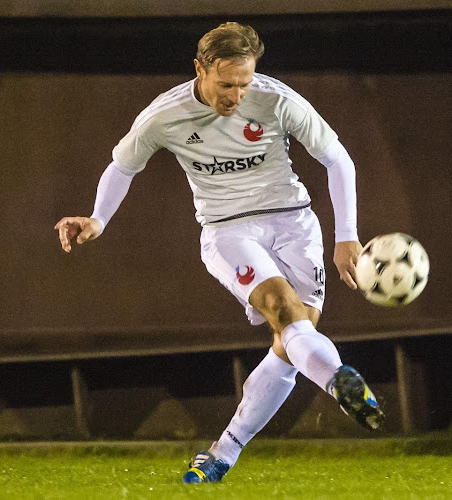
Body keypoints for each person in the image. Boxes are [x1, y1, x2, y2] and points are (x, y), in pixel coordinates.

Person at [54, 22, 384, 484]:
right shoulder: (164, 116)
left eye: (244, 83)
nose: (236, 95)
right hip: (228, 231)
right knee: (283, 311)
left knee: (290, 344)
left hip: (294, 221)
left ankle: (223, 452)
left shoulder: (278, 100)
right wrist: (97, 219)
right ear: (200, 69)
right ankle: (339, 380)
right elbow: (122, 166)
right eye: (226, 84)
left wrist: (346, 233)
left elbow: (337, 158)